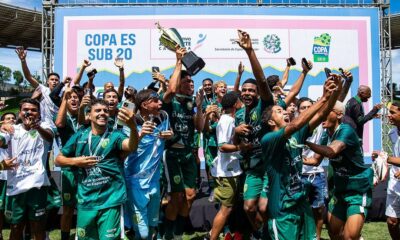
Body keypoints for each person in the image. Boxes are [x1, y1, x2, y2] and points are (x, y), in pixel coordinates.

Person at [261, 75, 340, 240]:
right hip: (282, 210)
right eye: (279, 111)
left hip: (300, 203)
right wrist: (323, 97)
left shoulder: (296, 134)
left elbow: (320, 115)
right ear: (270, 122)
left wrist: (333, 94)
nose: (285, 111)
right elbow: (296, 124)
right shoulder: (268, 140)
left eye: (284, 110)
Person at [55, 99, 138, 239]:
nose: (102, 113)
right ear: (89, 116)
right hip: (86, 200)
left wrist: (133, 127)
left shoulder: (115, 135)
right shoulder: (79, 136)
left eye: (105, 111)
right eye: (98, 110)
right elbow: (58, 159)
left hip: (110, 200)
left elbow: (131, 146)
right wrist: (76, 161)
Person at [304, 100, 373, 240]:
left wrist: (305, 142)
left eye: (326, 111)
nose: (321, 114)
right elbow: (315, 160)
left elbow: (331, 151)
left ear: (339, 115)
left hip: (357, 190)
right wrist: (295, 156)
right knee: (334, 233)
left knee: (349, 237)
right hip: (340, 190)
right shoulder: (325, 134)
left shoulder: (346, 130)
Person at [161, 47, 204, 240]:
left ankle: (177, 234)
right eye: (186, 81)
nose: (191, 84)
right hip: (172, 155)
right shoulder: (169, 101)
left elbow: (200, 127)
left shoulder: (190, 103)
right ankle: (169, 234)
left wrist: (200, 106)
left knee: (190, 196)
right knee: (176, 197)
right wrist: (178, 61)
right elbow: (170, 89)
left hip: (188, 154)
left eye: (192, 81)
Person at [233, 30, 273, 236]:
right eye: (245, 90)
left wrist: (250, 52)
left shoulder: (264, 106)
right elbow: (235, 143)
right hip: (251, 169)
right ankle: (262, 233)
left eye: (251, 90)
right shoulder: (239, 115)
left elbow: (263, 81)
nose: (247, 93)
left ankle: (267, 232)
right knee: (248, 208)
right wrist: (236, 133)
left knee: (265, 208)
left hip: (268, 167)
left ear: (258, 94)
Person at [0, 98, 55, 239]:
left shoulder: (45, 125)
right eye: (25, 110)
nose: (29, 112)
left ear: (39, 113)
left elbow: (50, 137)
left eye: (33, 110)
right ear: (19, 113)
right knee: (16, 228)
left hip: (37, 186)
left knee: (38, 228)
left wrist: (37, 127)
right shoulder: (12, 130)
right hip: (16, 187)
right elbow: (1, 141)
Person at [124, 89, 173, 239]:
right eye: (156, 101)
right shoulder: (130, 123)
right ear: (145, 105)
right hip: (135, 182)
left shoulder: (163, 116)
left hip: (154, 181)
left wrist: (170, 134)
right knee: (143, 234)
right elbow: (124, 150)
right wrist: (140, 134)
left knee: (153, 226)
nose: (160, 103)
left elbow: (169, 132)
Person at [209, 92, 244, 240]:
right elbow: (222, 146)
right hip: (226, 172)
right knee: (226, 209)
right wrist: (241, 147)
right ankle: (212, 237)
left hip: (232, 171)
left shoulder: (229, 119)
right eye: (239, 100)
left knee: (229, 208)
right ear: (235, 103)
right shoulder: (226, 121)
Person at [54, 87, 81, 240]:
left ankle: (84, 234)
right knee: (68, 208)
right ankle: (65, 238)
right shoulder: (60, 115)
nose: (73, 99)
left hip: (85, 167)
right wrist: (64, 98)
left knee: (85, 206)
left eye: (76, 97)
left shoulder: (85, 115)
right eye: (70, 97)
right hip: (69, 168)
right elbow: (59, 123)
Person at [372, 102, 400, 240]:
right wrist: (382, 160)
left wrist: (385, 158)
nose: (389, 115)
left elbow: (391, 158)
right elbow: (395, 156)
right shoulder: (392, 132)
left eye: (393, 112)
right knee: (392, 222)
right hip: (395, 183)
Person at [16, 47, 60, 125]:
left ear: (59, 82)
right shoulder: (43, 89)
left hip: (59, 125)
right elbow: (28, 77)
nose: (54, 82)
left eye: (56, 80)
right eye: (52, 80)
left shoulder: (63, 92)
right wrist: (23, 60)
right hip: (45, 125)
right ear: (47, 82)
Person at [0, 112, 16, 240]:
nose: (11, 120)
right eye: (8, 119)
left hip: (17, 177)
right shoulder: (3, 134)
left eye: (13, 118)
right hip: (2, 176)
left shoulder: (21, 132)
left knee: (15, 211)